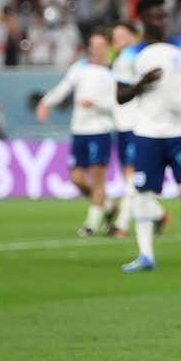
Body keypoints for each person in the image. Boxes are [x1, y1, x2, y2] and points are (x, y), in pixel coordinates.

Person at [113, 0, 181, 273]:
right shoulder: (131, 54)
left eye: (164, 16)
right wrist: (142, 82)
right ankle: (146, 255)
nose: (162, 21)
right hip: (147, 132)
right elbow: (120, 95)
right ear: (141, 19)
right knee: (142, 193)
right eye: (155, 16)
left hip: (179, 132)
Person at [36, 30, 117, 237]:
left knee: (98, 179)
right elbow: (64, 88)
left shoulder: (113, 73)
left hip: (101, 130)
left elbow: (118, 105)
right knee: (77, 178)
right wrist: (46, 102)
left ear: (108, 48)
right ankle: (107, 206)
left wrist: (96, 104)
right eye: (93, 45)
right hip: (79, 130)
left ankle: (91, 224)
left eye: (100, 46)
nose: (96, 49)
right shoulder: (79, 69)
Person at [109, 22, 141, 238]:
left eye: (121, 35)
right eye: (115, 36)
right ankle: (157, 215)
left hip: (135, 124)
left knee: (131, 175)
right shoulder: (120, 59)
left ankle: (121, 223)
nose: (117, 39)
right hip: (121, 125)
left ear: (133, 36)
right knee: (128, 176)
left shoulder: (136, 57)